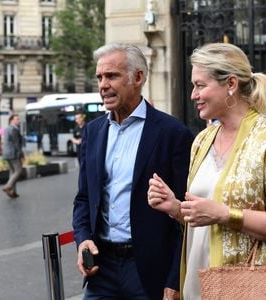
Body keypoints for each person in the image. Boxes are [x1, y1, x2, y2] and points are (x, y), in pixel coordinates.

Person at [147, 42, 266, 299]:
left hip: (245, 289)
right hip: (197, 284)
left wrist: (225, 214)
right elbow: (202, 219)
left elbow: (219, 215)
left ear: (230, 84)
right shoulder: (202, 140)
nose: (193, 95)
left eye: (200, 85)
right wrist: (175, 208)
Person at [72, 43, 194, 300]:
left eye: (112, 76)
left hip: (149, 271)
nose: (103, 85)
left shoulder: (173, 134)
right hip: (100, 268)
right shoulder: (93, 132)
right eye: (99, 77)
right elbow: (84, 199)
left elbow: (186, 217)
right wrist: (83, 239)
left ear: (138, 77)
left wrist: (175, 278)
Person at [2, 114, 24, 198]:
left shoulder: (7, 129)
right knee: (18, 171)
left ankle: (12, 192)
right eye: (17, 119)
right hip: (13, 153)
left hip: (6, 153)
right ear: (12, 120)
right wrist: (21, 154)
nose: (19, 121)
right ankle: (8, 186)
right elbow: (16, 144)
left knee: (12, 172)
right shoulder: (14, 129)